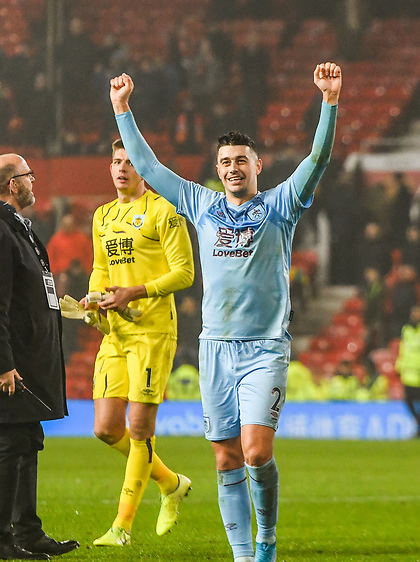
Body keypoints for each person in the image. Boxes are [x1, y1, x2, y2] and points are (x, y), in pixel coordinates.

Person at [111, 61, 341, 562]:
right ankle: (243, 555)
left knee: (257, 452)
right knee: (225, 458)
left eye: (243, 160)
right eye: (226, 161)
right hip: (215, 347)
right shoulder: (200, 204)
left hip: (265, 349)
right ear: (217, 169)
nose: (234, 167)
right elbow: (148, 170)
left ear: (258, 166)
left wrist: (328, 103)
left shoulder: (280, 205)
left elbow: (318, 159)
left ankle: (266, 540)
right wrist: (122, 110)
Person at [0, 154, 79, 561]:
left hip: (23, 361)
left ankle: (27, 532)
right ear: (13, 184)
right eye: (28, 176)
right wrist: (1, 365)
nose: (33, 181)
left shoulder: (12, 226)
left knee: (26, 441)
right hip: (7, 365)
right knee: (8, 445)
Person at [85, 138, 195, 547]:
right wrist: (94, 298)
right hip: (116, 332)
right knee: (105, 428)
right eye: (116, 161)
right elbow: (100, 267)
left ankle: (122, 527)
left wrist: (135, 291)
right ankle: (171, 483)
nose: (122, 169)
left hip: (152, 331)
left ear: (144, 169)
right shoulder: (102, 216)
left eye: (130, 162)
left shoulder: (164, 212)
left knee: (138, 428)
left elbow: (185, 274)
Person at [395, 305, 420, 438]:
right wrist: (399, 365)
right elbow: (403, 348)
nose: (415, 315)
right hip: (408, 371)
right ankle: (419, 423)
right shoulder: (407, 329)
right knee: (408, 400)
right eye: (414, 313)